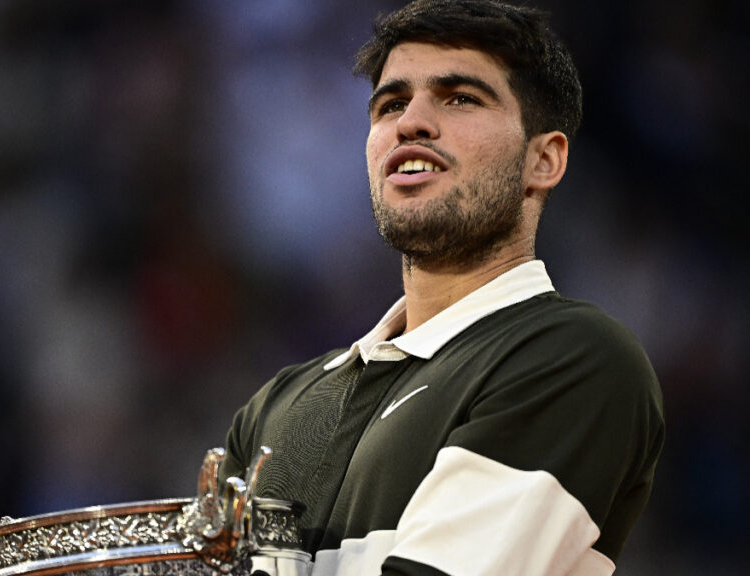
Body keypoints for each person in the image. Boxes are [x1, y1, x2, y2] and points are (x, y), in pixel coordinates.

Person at [219, 1, 664, 574]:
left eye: (460, 98)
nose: (411, 123)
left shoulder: (574, 358)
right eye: (391, 104)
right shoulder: (276, 406)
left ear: (544, 160)